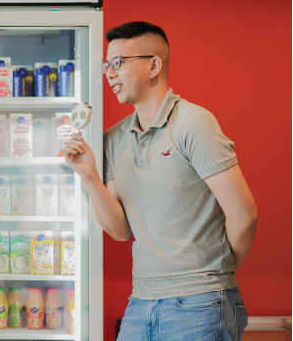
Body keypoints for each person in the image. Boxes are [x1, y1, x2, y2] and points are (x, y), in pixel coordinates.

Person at [63, 21, 257, 340]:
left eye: (119, 63)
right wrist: (90, 177)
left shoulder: (193, 122)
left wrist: (215, 275)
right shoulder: (113, 139)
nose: (109, 73)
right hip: (141, 301)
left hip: (201, 302)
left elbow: (245, 215)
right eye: (106, 65)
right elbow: (120, 230)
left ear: (154, 65)